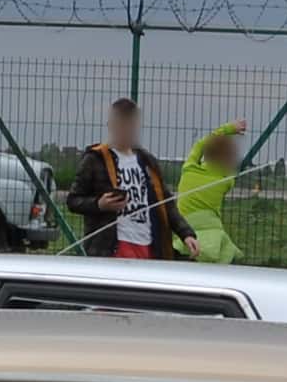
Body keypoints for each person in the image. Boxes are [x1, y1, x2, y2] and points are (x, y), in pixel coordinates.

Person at [67, 100, 177, 261]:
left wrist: (187, 234)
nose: (126, 131)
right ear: (111, 125)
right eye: (121, 125)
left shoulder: (147, 162)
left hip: (147, 246)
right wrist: (99, 204)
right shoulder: (95, 159)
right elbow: (73, 201)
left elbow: (166, 203)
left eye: (130, 126)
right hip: (110, 249)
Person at [174, 122, 245, 264]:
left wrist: (228, 129)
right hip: (212, 234)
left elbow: (200, 144)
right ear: (228, 159)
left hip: (184, 232)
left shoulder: (188, 168)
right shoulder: (226, 181)